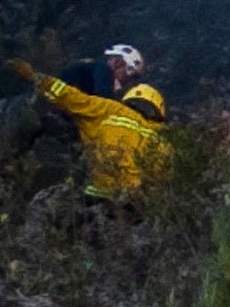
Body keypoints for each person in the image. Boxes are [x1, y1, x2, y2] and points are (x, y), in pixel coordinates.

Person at [19, 44, 173, 198]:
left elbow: (72, 97)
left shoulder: (110, 110)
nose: (126, 81)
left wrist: (36, 78)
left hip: (99, 195)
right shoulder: (164, 138)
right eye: (128, 75)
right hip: (137, 201)